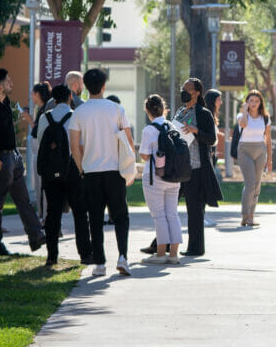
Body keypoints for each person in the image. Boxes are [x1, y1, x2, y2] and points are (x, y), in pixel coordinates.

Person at [68, 68, 133, 275]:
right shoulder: (116, 109)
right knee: (121, 215)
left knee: (95, 217)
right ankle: (123, 256)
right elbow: (129, 141)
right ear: (104, 86)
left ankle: (100, 262)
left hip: (91, 171)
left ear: (85, 87)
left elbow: (74, 145)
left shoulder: (79, 112)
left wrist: (81, 168)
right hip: (115, 170)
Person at [0, 69, 44, 257]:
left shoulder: (5, 102)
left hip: (13, 157)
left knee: (24, 200)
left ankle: (36, 236)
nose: (11, 82)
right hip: (1, 159)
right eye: (8, 80)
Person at [37, 85, 91, 266]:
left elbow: (39, 145)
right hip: (73, 169)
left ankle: (52, 256)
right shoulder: (76, 117)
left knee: (53, 214)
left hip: (50, 172)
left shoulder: (45, 117)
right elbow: (81, 145)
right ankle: (85, 254)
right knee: (80, 212)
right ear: (70, 96)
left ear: (53, 99)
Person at [173, 78, 222, 253]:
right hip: (177, 168)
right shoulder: (179, 112)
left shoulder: (203, 113)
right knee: (168, 208)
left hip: (195, 168)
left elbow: (212, 139)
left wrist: (196, 131)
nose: (184, 92)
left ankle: (196, 248)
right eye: (182, 88)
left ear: (197, 92)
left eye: (187, 89)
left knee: (194, 211)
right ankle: (159, 244)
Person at [138, 94, 182, 265]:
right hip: (174, 177)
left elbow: (144, 155)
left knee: (159, 216)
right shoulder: (172, 127)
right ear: (163, 109)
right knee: (173, 214)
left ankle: (161, 254)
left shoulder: (149, 130)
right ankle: (173, 254)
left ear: (148, 111)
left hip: (154, 177)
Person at [235, 90, 272, 227]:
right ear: (247, 102)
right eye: (251, 101)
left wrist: (270, 160)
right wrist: (245, 110)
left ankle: (251, 216)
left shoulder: (265, 118)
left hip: (260, 151)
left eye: (257, 101)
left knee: (257, 186)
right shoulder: (241, 116)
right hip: (245, 150)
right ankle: (245, 215)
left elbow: (268, 140)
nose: (254, 103)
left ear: (261, 102)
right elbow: (243, 124)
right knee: (250, 184)